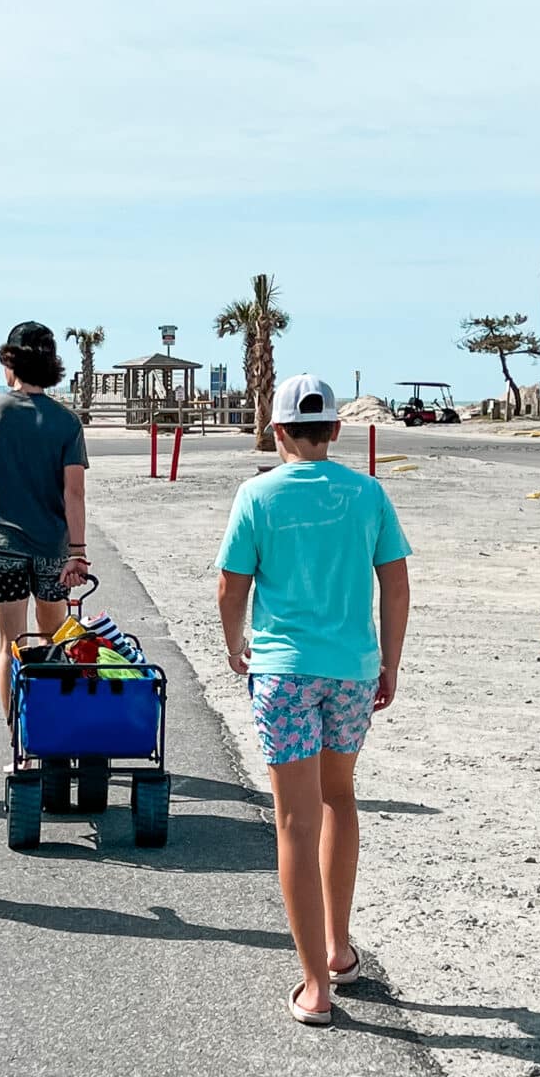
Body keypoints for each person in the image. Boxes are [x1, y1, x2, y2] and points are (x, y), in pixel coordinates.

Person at [216, 374, 412, 1028]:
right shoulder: (368, 494)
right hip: (352, 672)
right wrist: (390, 661)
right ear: (334, 429)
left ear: (276, 431)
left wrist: (234, 645)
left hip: (283, 673)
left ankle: (313, 987)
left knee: (295, 820)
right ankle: (337, 949)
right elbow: (396, 586)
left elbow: (230, 587)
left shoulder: (257, 495)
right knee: (340, 798)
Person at [0, 322, 91, 719]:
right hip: (53, 549)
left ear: (11, 362)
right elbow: (74, 494)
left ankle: (17, 746)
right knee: (53, 639)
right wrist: (79, 552)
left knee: (10, 644)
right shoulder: (66, 422)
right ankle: (51, 731)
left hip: (1, 546)